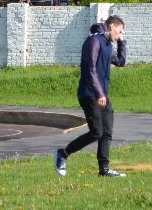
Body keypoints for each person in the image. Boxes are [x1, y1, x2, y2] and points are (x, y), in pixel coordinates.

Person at [55, 15, 128, 178]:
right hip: (89, 94)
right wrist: (99, 93)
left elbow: (121, 62)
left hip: (102, 95)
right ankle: (63, 153)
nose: (121, 33)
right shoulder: (93, 41)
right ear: (111, 27)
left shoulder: (108, 44)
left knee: (107, 131)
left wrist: (122, 42)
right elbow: (90, 70)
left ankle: (104, 169)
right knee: (96, 132)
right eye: (120, 31)